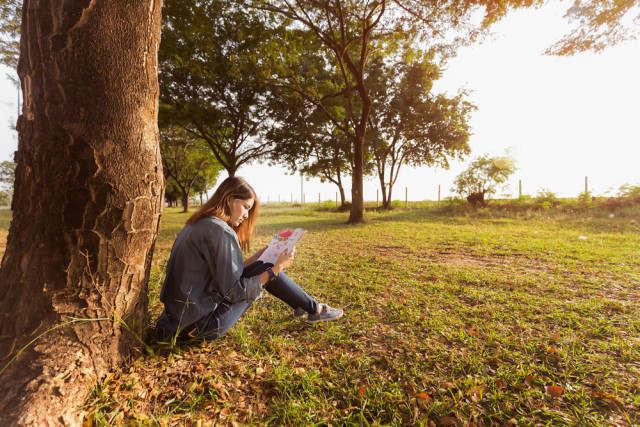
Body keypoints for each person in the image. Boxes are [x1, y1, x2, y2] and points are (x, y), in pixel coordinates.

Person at [156, 176, 343, 341]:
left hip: (175, 322)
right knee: (268, 268)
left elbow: (216, 275)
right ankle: (314, 309)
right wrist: (276, 269)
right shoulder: (221, 231)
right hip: (200, 327)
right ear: (229, 199)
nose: (246, 215)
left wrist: (253, 259)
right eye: (245, 207)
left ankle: (305, 306)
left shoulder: (197, 224)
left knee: (264, 264)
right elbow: (234, 292)